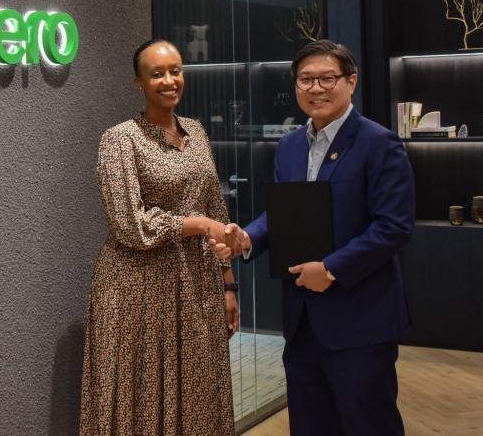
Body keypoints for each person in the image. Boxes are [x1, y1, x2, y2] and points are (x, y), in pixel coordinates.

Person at [214, 40, 415, 436]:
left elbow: (393, 226)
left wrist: (332, 269)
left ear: (351, 81)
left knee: (368, 425)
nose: (316, 88)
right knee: (309, 425)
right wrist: (247, 238)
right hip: (302, 322)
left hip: (361, 320)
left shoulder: (379, 143)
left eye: (327, 78)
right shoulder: (289, 146)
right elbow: (283, 214)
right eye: (306, 79)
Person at [80, 39, 242, 436]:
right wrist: (198, 224)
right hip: (138, 289)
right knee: (143, 391)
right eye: (157, 74)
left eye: (176, 70)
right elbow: (129, 224)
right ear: (139, 82)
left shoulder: (197, 132)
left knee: (199, 388)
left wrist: (228, 284)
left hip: (197, 286)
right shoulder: (120, 139)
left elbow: (215, 209)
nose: (169, 80)